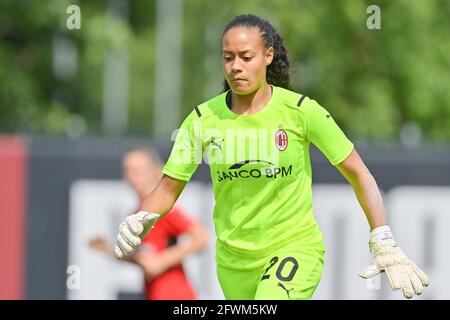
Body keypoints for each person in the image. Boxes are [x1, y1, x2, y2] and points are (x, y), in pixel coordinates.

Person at [114, 14, 430, 300]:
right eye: (228, 58)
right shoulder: (201, 120)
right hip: (233, 263)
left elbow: (359, 173)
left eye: (246, 57)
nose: (236, 66)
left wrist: (382, 236)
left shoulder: (302, 112)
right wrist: (141, 219)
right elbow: (168, 189)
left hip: (294, 248)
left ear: (267, 56)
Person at [90, 147, 209, 300]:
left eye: (139, 170)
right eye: (128, 170)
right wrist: (109, 250)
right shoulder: (137, 212)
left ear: (155, 170)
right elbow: (146, 259)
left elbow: (201, 238)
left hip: (175, 294)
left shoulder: (161, 210)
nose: (133, 176)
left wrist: (162, 260)